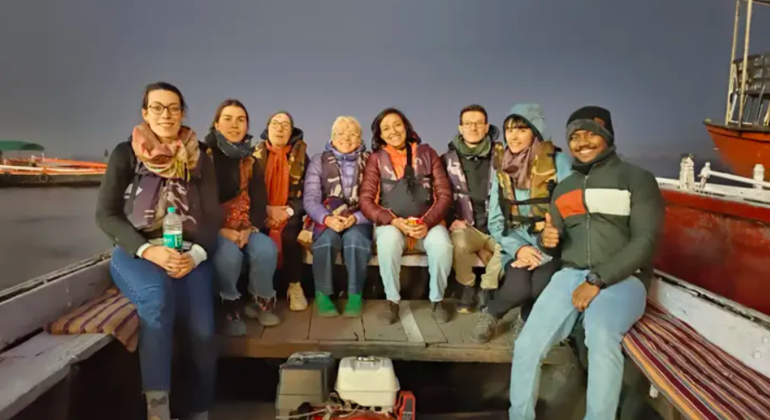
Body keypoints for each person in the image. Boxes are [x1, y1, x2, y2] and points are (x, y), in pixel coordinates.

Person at [508, 106, 664, 420]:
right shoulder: (564, 188)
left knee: (601, 337)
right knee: (526, 345)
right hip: (570, 275)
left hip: (625, 278)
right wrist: (547, 240)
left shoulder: (637, 179)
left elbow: (646, 241)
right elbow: (555, 242)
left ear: (608, 136)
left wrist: (597, 280)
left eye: (591, 134)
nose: (582, 142)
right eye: (574, 137)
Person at [96, 82, 220, 420]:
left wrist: (194, 256)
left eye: (174, 108)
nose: (166, 115)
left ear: (182, 113)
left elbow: (213, 217)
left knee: (203, 330)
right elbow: (106, 215)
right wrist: (147, 251)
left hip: (188, 252)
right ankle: (158, 408)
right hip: (137, 252)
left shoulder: (200, 157)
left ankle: (198, 409)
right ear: (145, 113)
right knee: (156, 300)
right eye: (158, 107)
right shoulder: (126, 153)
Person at [470, 104, 572, 343]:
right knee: (519, 287)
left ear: (536, 132)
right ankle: (492, 313)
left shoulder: (559, 163)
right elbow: (496, 221)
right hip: (517, 243)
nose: (513, 136)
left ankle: (525, 318)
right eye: (509, 130)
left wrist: (546, 247)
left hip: (553, 246)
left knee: (540, 284)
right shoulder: (502, 167)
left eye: (521, 129)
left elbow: (573, 211)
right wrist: (519, 249)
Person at [359, 108, 454, 324]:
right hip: (393, 224)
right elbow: (365, 201)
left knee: (442, 245)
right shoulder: (376, 159)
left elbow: (444, 194)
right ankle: (392, 300)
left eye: (397, 125)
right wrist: (393, 221)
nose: (393, 131)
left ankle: (437, 299)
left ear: (406, 127)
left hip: (427, 223)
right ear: (380, 135)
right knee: (388, 242)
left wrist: (426, 222)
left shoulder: (427, 153)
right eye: (386, 128)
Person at [204, 99, 280, 336]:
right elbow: (200, 201)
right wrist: (221, 230)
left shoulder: (250, 160)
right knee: (229, 256)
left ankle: (260, 303)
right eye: (227, 119)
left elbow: (259, 200)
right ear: (217, 124)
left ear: (247, 126)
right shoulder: (205, 157)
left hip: (245, 225)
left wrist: (250, 228)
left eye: (240, 120)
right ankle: (230, 307)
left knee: (266, 249)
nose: (234, 125)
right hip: (214, 227)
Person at [303, 116, 372, 317]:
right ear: (332, 137)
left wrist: (356, 218)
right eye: (340, 133)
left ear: (360, 139)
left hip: (360, 216)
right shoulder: (319, 160)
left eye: (352, 134)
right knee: (326, 241)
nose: (346, 138)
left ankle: (355, 295)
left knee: (355, 240)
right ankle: (323, 294)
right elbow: (311, 199)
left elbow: (377, 199)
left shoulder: (371, 160)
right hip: (327, 216)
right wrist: (327, 219)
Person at [442, 104, 504, 313]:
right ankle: (466, 286)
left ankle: (487, 288)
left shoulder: (502, 156)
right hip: (467, 225)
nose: (473, 127)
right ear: (460, 128)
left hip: (497, 224)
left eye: (478, 123)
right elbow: (440, 194)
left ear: (487, 127)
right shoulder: (447, 159)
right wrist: (450, 219)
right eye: (468, 123)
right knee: (458, 243)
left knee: (512, 246)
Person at [253, 111, 309, 311]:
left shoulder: (302, 157)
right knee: (257, 233)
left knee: (290, 233)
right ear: (267, 129)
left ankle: (295, 286)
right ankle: (259, 292)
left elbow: (310, 193)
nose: (280, 128)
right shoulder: (254, 156)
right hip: (260, 210)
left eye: (285, 125)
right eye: (275, 124)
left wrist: (288, 212)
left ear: (291, 132)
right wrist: (266, 210)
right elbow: (246, 191)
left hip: (290, 211)